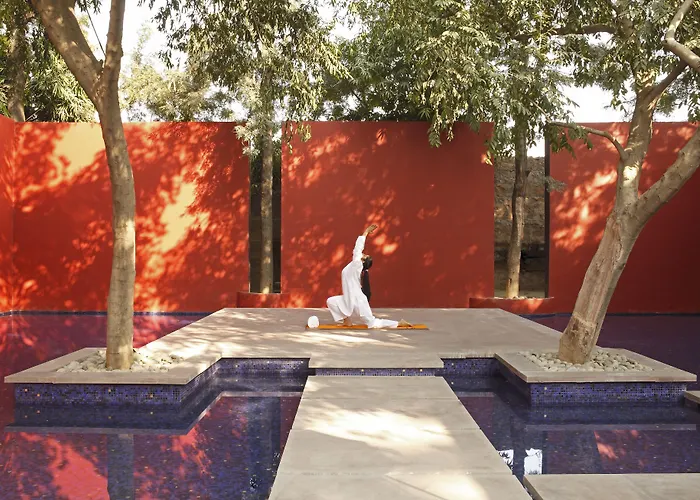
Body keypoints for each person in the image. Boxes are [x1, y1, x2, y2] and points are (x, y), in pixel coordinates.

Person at [326, 224, 411, 328]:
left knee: (372, 323)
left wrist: (366, 232)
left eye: (365, 255)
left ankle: (398, 323)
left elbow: (358, 248)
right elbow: (357, 251)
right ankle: (347, 321)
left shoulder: (357, 264)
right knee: (331, 301)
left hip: (358, 302)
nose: (363, 254)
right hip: (348, 300)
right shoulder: (355, 265)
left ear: (363, 260)